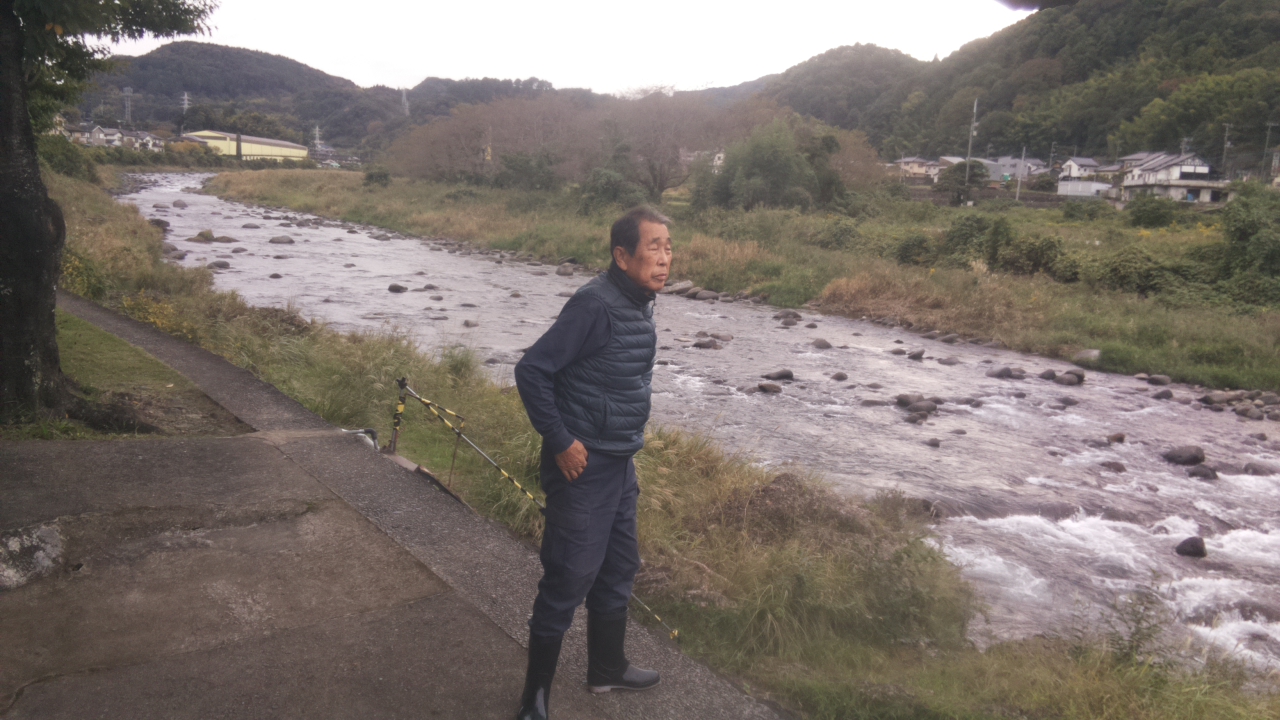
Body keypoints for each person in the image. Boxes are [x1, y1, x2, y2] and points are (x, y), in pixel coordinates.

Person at [511, 206, 673, 720]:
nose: (664, 258)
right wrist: (561, 440)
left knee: (619, 567)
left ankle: (606, 668)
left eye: (669, 247)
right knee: (568, 576)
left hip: (619, 462)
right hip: (581, 468)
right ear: (622, 256)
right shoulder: (594, 306)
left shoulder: (638, 302)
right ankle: (534, 698)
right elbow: (532, 370)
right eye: (653, 247)